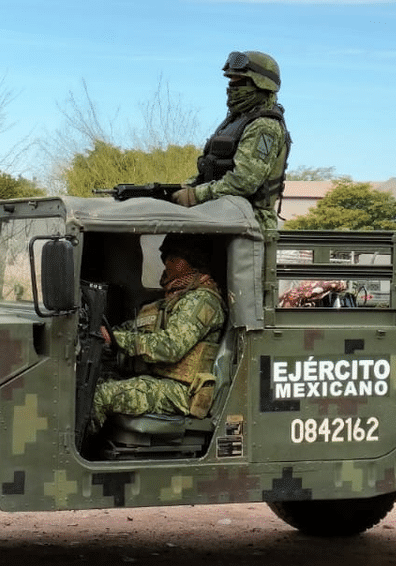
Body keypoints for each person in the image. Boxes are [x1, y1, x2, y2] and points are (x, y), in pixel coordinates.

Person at [92, 235, 226, 429]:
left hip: (181, 391)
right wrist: (106, 333)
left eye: (175, 259)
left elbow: (170, 347)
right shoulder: (170, 300)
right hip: (158, 379)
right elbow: (133, 328)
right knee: (89, 382)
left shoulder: (201, 300)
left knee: (99, 396)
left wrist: (116, 339)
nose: (167, 264)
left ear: (193, 263)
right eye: (166, 258)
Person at [171, 50, 292, 235]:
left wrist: (194, 195)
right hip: (223, 217)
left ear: (261, 85)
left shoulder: (264, 126)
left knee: (183, 260)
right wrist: (185, 187)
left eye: (240, 82)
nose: (232, 88)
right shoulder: (236, 121)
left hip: (248, 225)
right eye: (230, 82)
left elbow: (244, 181)